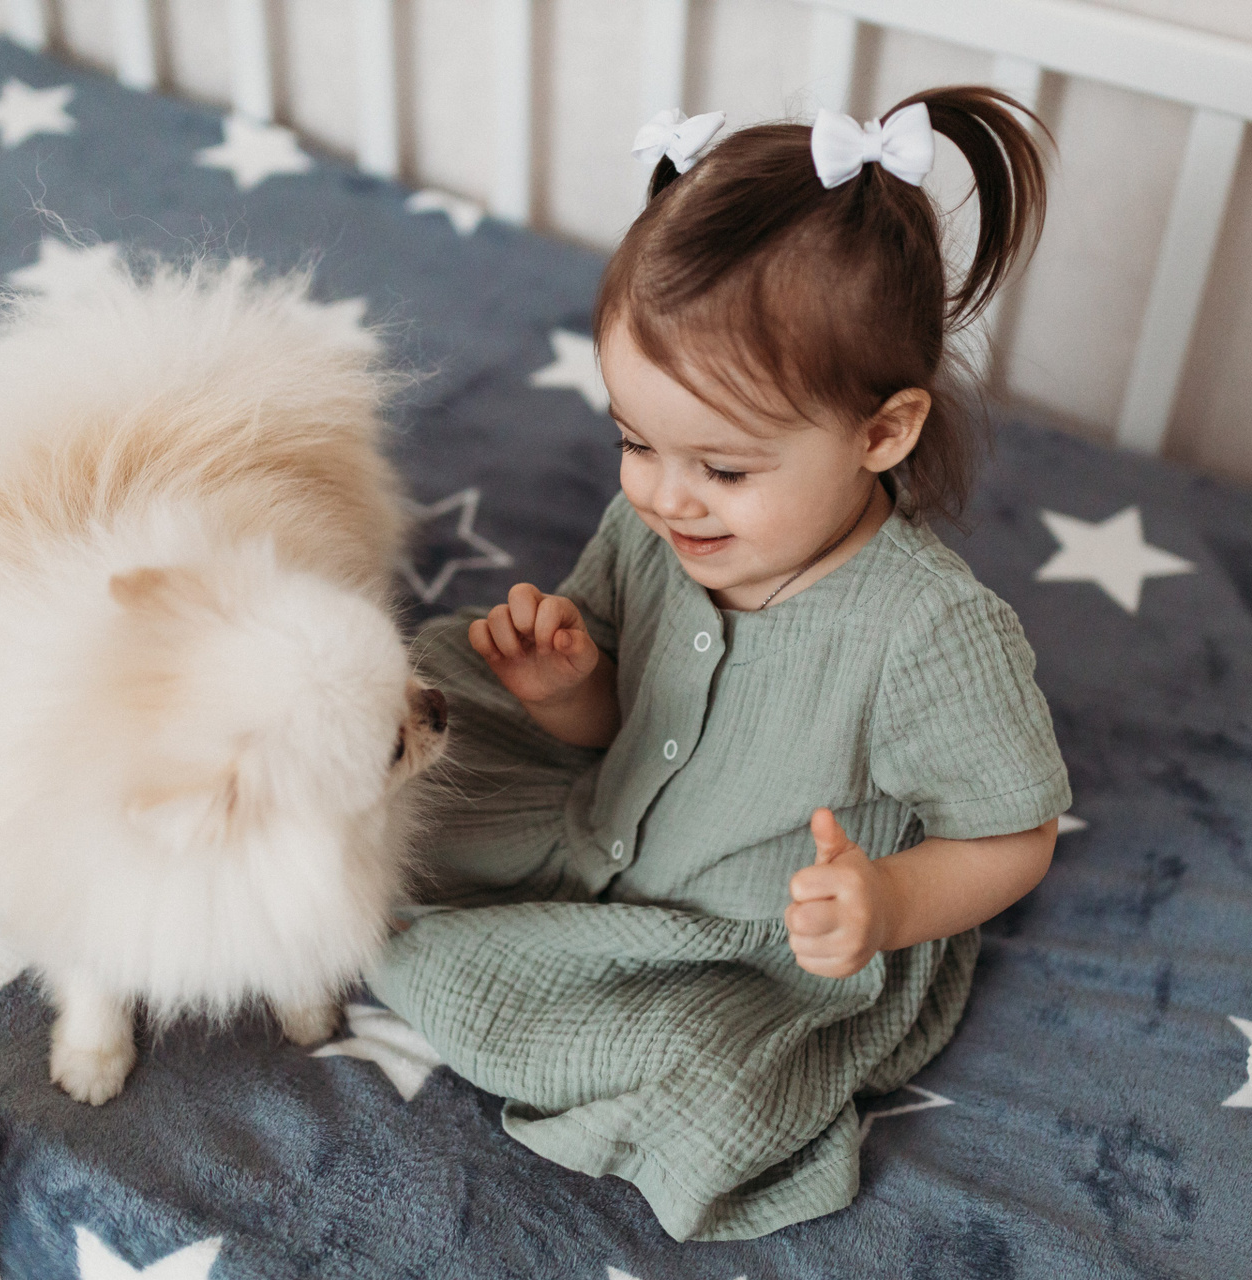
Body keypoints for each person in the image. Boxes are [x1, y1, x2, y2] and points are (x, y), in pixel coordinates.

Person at [370, 89, 1068, 1242]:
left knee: (712, 1079)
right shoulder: (656, 523)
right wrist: (569, 687)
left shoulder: (928, 632)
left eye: (724, 469)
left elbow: (1017, 835)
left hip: (756, 941)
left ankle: (526, 988)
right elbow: (627, 719)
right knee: (408, 777)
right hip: (600, 813)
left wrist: (888, 902)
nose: (665, 494)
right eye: (633, 440)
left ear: (882, 432)